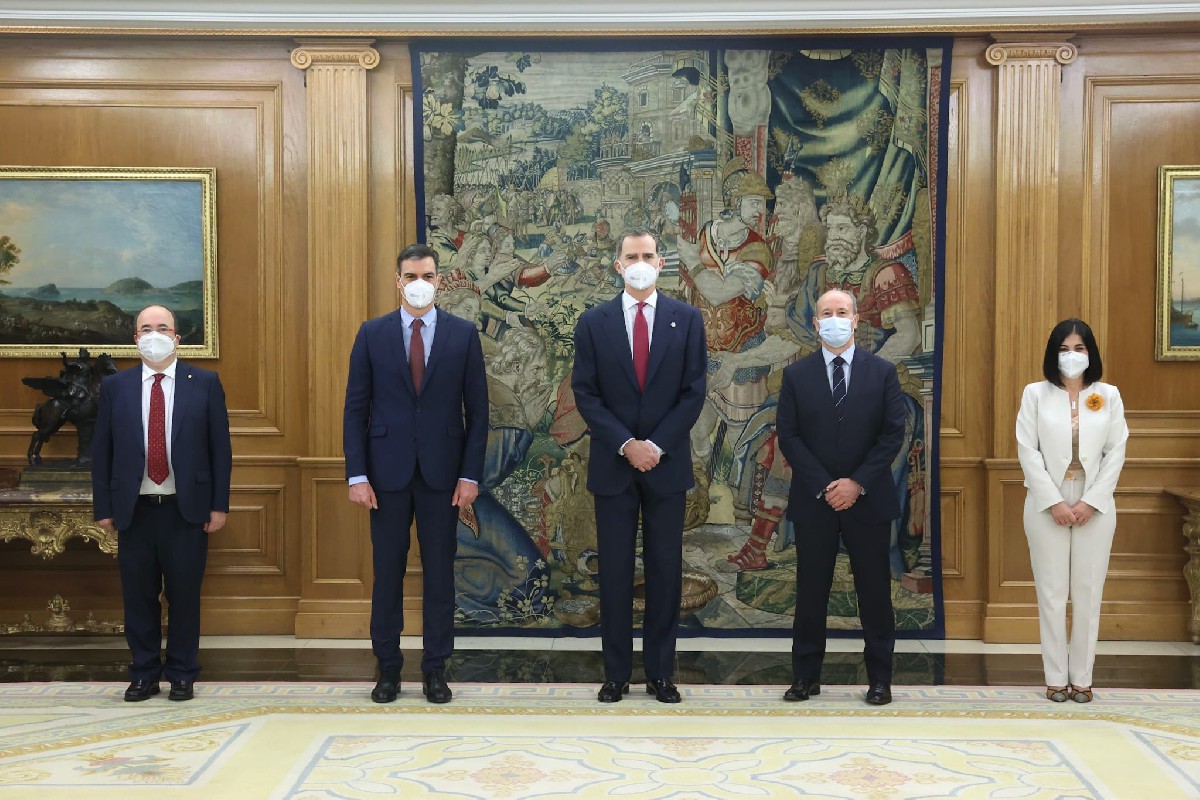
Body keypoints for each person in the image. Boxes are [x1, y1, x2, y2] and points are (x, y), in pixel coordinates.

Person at [343, 243, 488, 705]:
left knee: (440, 575)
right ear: (398, 281)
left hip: (444, 476)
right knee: (387, 573)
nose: (419, 283)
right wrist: (356, 475)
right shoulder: (372, 333)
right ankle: (387, 669)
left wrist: (470, 476)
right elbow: (355, 409)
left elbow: (478, 413)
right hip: (384, 476)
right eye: (411, 276)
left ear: (439, 280)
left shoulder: (463, 335)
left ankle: (435, 669)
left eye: (427, 275)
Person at [572, 228, 706, 704]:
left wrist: (656, 446)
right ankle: (615, 675)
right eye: (632, 256)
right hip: (614, 466)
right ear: (618, 265)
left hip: (666, 467)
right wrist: (627, 444)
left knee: (665, 572)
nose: (640, 262)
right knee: (614, 573)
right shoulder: (594, 322)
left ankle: (660, 674)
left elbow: (693, 392)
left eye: (648, 254)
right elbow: (586, 393)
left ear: (661, 263)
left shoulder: (687, 319)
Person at [91, 304, 232, 703]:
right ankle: (144, 672)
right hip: (134, 510)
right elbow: (102, 451)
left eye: (163, 328)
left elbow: (220, 449)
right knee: (138, 597)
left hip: (185, 510)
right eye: (146, 328)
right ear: (136, 338)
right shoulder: (116, 386)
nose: (155, 334)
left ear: (176, 337)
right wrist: (104, 507)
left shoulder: (204, 383)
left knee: (184, 596)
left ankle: (183, 673)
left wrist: (218, 505)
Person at [776, 289, 905, 706]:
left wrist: (856, 483)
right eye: (826, 313)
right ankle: (805, 677)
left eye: (842, 312)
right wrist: (826, 485)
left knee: (875, 593)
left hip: (868, 500)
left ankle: (880, 679)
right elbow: (789, 435)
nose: (835, 319)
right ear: (816, 323)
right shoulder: (796, 376)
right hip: (815, 500)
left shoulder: (882, 372)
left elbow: (892, 434)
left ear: (855, 319)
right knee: (811, 591)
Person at [1017, 318, 1127, 704]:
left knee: (1088, 593)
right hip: (1046, 500)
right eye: (1064, 349)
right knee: (1051, 593)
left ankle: (1082, 679)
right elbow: (1027, 450)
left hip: (1095, 502)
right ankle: (1055, 678)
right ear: (1054, 353)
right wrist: (1055, 502)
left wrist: (1091, 501)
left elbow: (1116, 451)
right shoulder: (1035, 394)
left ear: (1091, 353)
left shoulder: (1108, 395)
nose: (1072, 355)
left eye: (1079, 348)